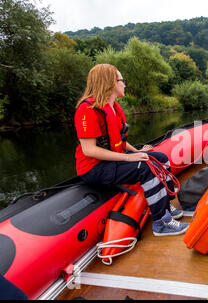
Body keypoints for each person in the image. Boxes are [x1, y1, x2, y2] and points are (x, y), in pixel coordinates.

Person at [74, 64, 188, 236]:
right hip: (94, 168)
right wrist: (129, 159)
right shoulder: (87, 110)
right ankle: (161, 223)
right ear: (111, 82)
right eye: (122, 80)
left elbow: (119, 141)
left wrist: (137, 152)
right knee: (146, 169)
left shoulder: (114, 108)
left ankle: (165, 206)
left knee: (160, 158)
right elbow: (89, 150)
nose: (125, 84)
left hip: (112, 160)